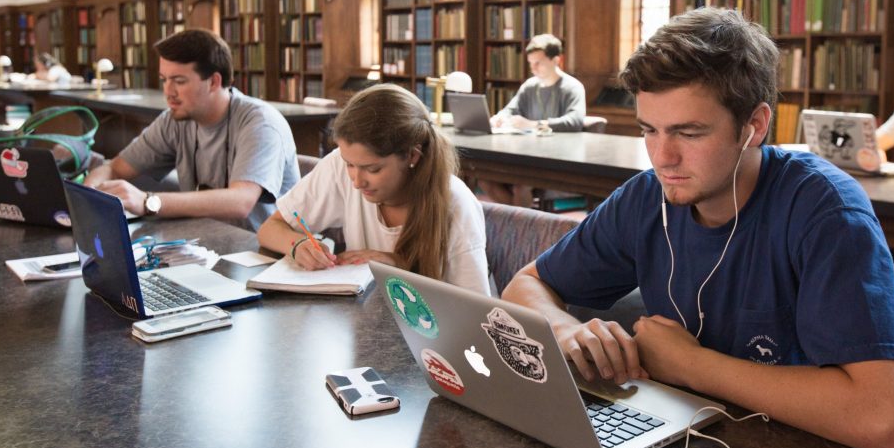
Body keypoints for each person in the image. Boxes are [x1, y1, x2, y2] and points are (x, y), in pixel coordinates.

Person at [502, 8, 894, 448]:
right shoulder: (649, 197)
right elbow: (523, 287)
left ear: (755, 125)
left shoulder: (823, 209)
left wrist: (691, 364)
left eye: (689, 132)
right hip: (698, 445)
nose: (663, 157)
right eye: (650, 130)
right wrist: (566, 330)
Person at [257, 83, 491, 295]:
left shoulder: (456, 204)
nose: (357, 181)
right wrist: (297, 245)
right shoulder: (340, 164)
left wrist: (398, 268)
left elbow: (474, 312)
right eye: (350, 165)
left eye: (373, 169)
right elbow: (270, 228)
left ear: (412, 155)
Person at [85, 29, 299, 230]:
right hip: (204, 242)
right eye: (164, 80)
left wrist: (149, 201)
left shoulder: (260, 123)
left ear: (214, 82)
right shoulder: (174, 119)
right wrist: (89, 195)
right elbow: (114, 168)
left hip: (262, 255)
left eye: (179, 81)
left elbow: (241, 202)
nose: (168, 92)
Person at [483, 33, 586, 205]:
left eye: (538, 63)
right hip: (527, 155)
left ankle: (523, 226)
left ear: (555, 60)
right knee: (485, 179)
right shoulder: (530, 86)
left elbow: (574, 121)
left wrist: (533, 124)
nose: (533, 68)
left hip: (557, 157)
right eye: (531, 63)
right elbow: (509, 110)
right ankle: (522, 222)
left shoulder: (572, 87)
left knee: (520, 185)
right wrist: (499, 118)